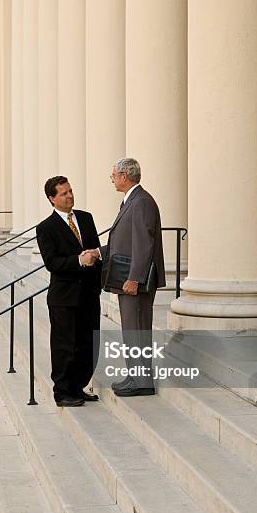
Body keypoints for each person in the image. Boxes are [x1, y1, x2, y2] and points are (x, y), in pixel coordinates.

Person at [88, 158, 166, 396]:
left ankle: (141, 382)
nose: (111, 179)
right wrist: (98, 252)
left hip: (135, 282)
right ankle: (135, 376)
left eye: (113, 175)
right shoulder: (131, 201)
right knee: (132, 330)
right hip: (128, 280)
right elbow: (121, 241)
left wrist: (135, 278)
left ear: (124, 176)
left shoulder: (141, 202)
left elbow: (144, 244)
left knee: (137, 329)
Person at [36, 176, 102, 407]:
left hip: (89, 294)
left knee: (88, 342)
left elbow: (94, 248)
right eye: (64, 193)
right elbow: (52, 262)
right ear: (52, 199)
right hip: (64, 297)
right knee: (65, 346)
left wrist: (96, 259)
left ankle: (79, 386)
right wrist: (79, 261)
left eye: (71, 191)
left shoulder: (86, 218)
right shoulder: (46, 228)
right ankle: (63, 392)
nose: (70, 196)